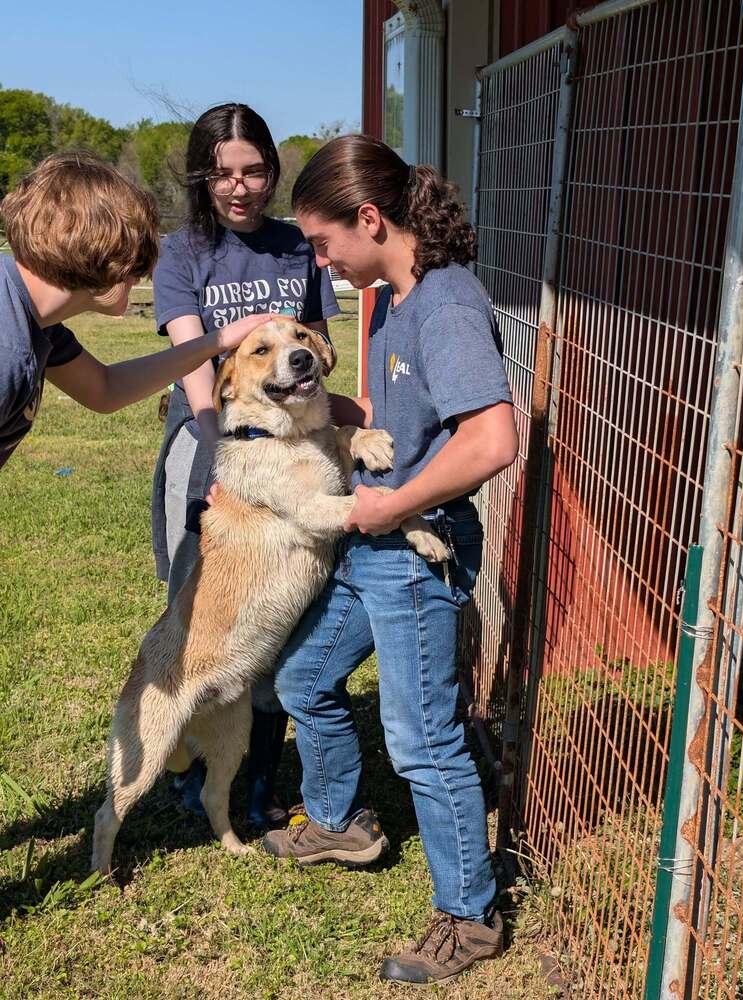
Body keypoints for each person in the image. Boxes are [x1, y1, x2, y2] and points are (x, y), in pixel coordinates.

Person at [260, 134, 519, 985]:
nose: (322, 260)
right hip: (372, 541)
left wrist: (393, 504)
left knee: (421, 740)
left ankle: (468, 918)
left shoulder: (443, 306)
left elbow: (490, 439)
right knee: (303, 680)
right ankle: (338, 821)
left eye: (326, 242)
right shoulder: (397, 303)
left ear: (369, 218)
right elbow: (403, 423)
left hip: (415, 548)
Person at [150, 103, 339, 829]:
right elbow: (194, 363)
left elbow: (316, 353)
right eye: (223, 174)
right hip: (209, 452)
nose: (239, 187)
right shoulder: (182, 251)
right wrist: (221, 449)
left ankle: (255, 776)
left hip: (294, 458)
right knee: (196, 612)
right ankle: (184, 765)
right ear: (203, 178)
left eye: (254, 170)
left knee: (274, 617)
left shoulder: (298, 249)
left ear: (272, 169)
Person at [0, 152, 277, 472]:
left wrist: (219, 340)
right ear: (99, 249)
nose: (145, 271)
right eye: (137, 256)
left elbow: (105, 388)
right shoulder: (9, 352)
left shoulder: (34, 318)